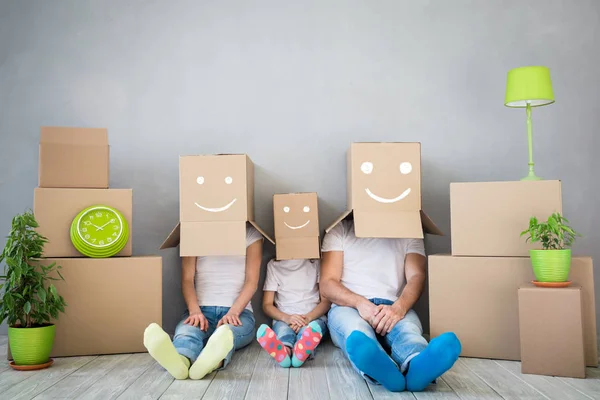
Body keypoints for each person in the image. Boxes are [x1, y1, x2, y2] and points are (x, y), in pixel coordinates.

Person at [320, 219, 461, 392]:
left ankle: (417, 365)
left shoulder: (410, 229)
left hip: (394, 304)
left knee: (408, 330)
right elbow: (327, 283)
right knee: (356, 332)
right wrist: (360, 303)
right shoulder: (339, 230)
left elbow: (417, 276)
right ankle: (383, 368)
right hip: (348, 306)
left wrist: (399, 308)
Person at [143, 225, 263, 380]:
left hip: (239, 313)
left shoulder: (250, 234)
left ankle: (210, 363)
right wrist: (194, 311)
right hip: (200, 311)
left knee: (227, 335)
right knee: (187, 332)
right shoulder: (194, 232)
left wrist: (234, 312)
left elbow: (251, 281)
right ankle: (180, 361)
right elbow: (187, 279)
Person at [257, 258, 331, 367]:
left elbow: (326, 302)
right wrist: (287, 318)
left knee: (310, 331)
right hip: (284, 319)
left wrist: (307, 318)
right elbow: (267, 305)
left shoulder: (316, 263)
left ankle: (301, 352)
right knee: (283, 331)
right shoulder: (274, 265)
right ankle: (285, 351)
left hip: (313, 317)